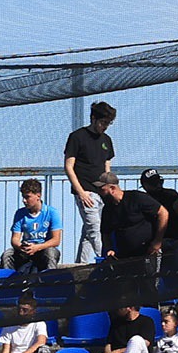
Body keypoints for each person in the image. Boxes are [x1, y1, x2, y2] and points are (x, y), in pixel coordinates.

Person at [62, 103, 118, 264]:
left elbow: (107, 168)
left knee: (88, 232)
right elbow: (68, 166)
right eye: (103, 122)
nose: (105, 127)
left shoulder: (106, 140)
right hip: (86, 191)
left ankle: (81, 264)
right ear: (93, 118)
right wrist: (81, 192)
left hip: (103, 193)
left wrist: (110, 190)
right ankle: (109, 261)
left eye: (108, 123)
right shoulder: (77, 137)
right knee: (95, 229)